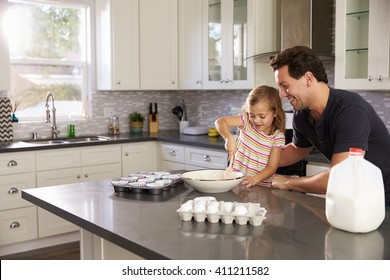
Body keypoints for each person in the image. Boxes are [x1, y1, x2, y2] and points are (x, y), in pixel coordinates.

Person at [270, 45, 390, 205]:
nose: (282, 94)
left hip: (383, 198)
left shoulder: (350, 110)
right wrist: (252, 156)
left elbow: (340, 178)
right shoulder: (302, 114)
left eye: (285, 86)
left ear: (308, 78)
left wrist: (287, 182)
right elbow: (298, 149)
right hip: (353, 196)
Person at [215, 85, 286, 188]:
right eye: (252, 115)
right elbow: (220, 122)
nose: (256, 120)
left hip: (261, 187)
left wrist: (255, 179)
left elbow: (272, 167)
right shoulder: (247, 122)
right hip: (237, 182)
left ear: (275, 112)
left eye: (262, 116)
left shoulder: (277, 137)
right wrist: (228, 138)